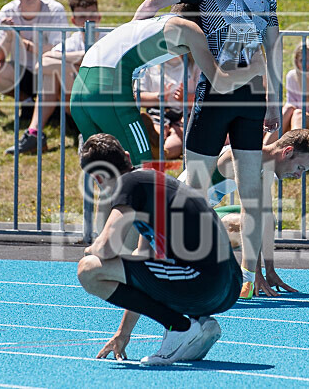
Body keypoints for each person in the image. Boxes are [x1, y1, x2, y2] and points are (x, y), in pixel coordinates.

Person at [133, 0, 282, 298]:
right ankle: (250, 279)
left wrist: (132, 45)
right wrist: (274, 103)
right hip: (252, 95)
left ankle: (182, 266)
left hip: (216, 92)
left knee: (194, 188)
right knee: (251, 192)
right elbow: (274, 49)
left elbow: (152, 4)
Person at [77, 133, 241, 365]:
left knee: (88, 269)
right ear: (126, 156)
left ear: (98, 178)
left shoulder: (128, 185)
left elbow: (106, 248)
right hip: (226, 288)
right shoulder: (153, 181)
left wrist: (89, 250)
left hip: (203, 282)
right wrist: (124, 332)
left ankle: (180, 327)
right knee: (139, 263)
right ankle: (199, 324)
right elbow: (143, 268)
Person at [69, 3, 265, 166]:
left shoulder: (150, 23)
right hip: (107, 89)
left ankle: (110, 213)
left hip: (79, 91)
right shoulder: (189, 28)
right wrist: (255, 68)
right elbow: (221, 82)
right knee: (142, 167)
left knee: (106, 170)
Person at [178, 129, 309, 296]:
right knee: (246, 223)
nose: (298, 176)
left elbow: (264, 216)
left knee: (268, 219)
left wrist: (270, 271)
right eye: (300, 168)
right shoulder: (241, 158)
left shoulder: (265, 167)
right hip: (175, 221)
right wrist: (254, 274)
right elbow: (251, 216)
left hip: (197, 218)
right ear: (287, 152)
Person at [6, 0, 101, 155]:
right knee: (53, 75)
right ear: (74, 20)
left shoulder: (109, 37)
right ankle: (34, 134)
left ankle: (35, 135)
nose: (88, 20)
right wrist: (80, 57)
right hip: (75, 99)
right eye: (82, 16)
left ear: (99, 16)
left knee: (58, 71)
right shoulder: (72, 42)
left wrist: (67, 60)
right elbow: (40, 65)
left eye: (92, 14)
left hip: (101, 98)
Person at [0, 0, 68, 121]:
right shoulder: (7, 11)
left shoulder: (54, 10)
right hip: (21, 72)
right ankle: (27, 102)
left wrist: (24, 42)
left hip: (48, 71)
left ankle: (53, 107)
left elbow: (57, 50)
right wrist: (9, 36)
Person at [136, 53, 201, 160]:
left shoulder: (195, 64)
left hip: (184, 114)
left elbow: (203, 98)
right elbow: (138, 97)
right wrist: (158, 97)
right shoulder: (149, 66)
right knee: (158, 128)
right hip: (158, 111)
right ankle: (155, 141)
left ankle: (161, 152)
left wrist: (186, 97)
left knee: (178, 136)